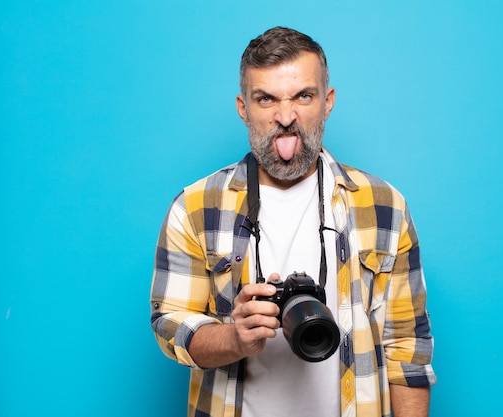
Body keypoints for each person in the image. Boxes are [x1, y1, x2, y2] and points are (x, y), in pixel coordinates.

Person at [150, 26, 436, 417]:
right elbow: (170, 325)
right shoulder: (196, 207)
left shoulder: (384, 205)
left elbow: (407, 349)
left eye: (303, 95)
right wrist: (235, 338)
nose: (285, 117)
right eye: (265, 98)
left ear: (328, 101)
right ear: (243, 107)